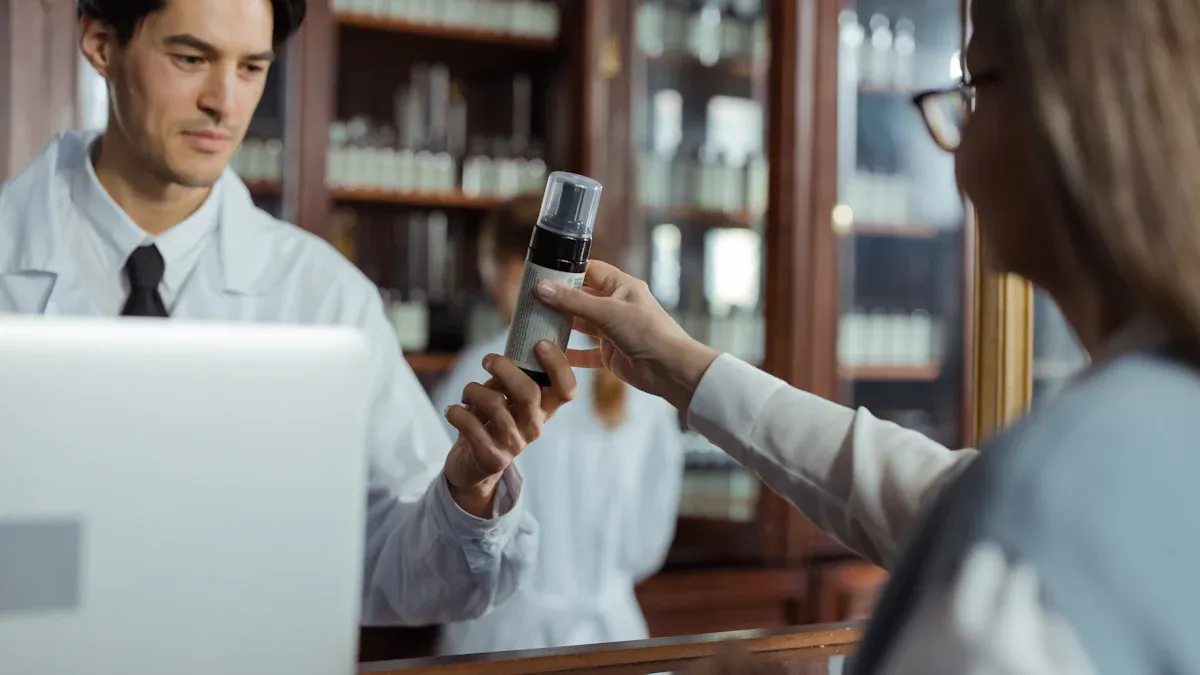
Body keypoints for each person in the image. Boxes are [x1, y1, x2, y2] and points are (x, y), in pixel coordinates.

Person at [533, 1, 1200, 673]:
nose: (956, 150)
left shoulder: (1038, 512)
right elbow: (923, 492)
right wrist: (683, 365)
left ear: (1062, 110)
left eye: (970, 91)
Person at [0, 0, 578, 626]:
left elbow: (410, 573)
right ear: (100, 43)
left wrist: (468, 491)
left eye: (251, 68)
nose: (224, 102)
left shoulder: (324, 298)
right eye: (191, 59)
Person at [431, 195, 684, 654]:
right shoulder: (634, 373)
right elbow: (648, 542)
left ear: (515, 271)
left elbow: (439, 524)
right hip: (612, 636)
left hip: (502, 639)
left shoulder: (482, 368)